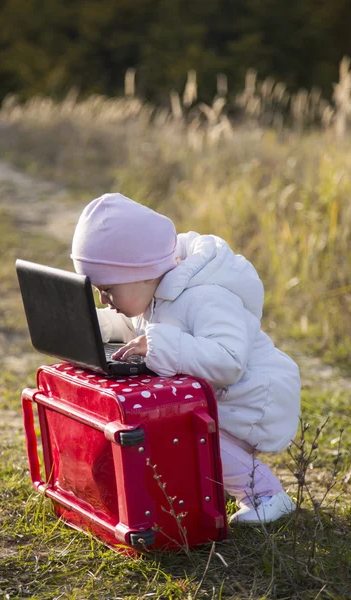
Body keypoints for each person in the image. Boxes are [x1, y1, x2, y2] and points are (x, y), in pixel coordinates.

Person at [71, 192, 301, 525]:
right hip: (218, 396)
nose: (105, 299)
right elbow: (135, 325)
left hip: (251, 397)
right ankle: (221, 480)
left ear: (145, 272)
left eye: (109, 289)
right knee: (185, 432)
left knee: (196, 437)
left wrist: (158, 345)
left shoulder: (206, 296)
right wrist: (98, 324)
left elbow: (229, 361)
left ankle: (266, 495)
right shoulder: (149, 291)